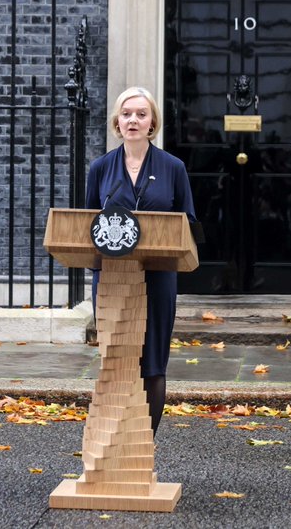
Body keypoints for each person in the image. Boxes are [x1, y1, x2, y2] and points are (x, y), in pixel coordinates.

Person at [85, 86, 196, 434]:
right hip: (113, 278)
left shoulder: (173, 167)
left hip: (158, 277)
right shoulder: (100, 168)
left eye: (141, 114)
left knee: (152, 364)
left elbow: (188, 222)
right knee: (116, 363)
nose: (133, 119)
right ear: (118, 122)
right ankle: (114, 446)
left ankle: (143, 444)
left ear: (153, 123)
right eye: (127, 113)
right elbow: (86, 224)